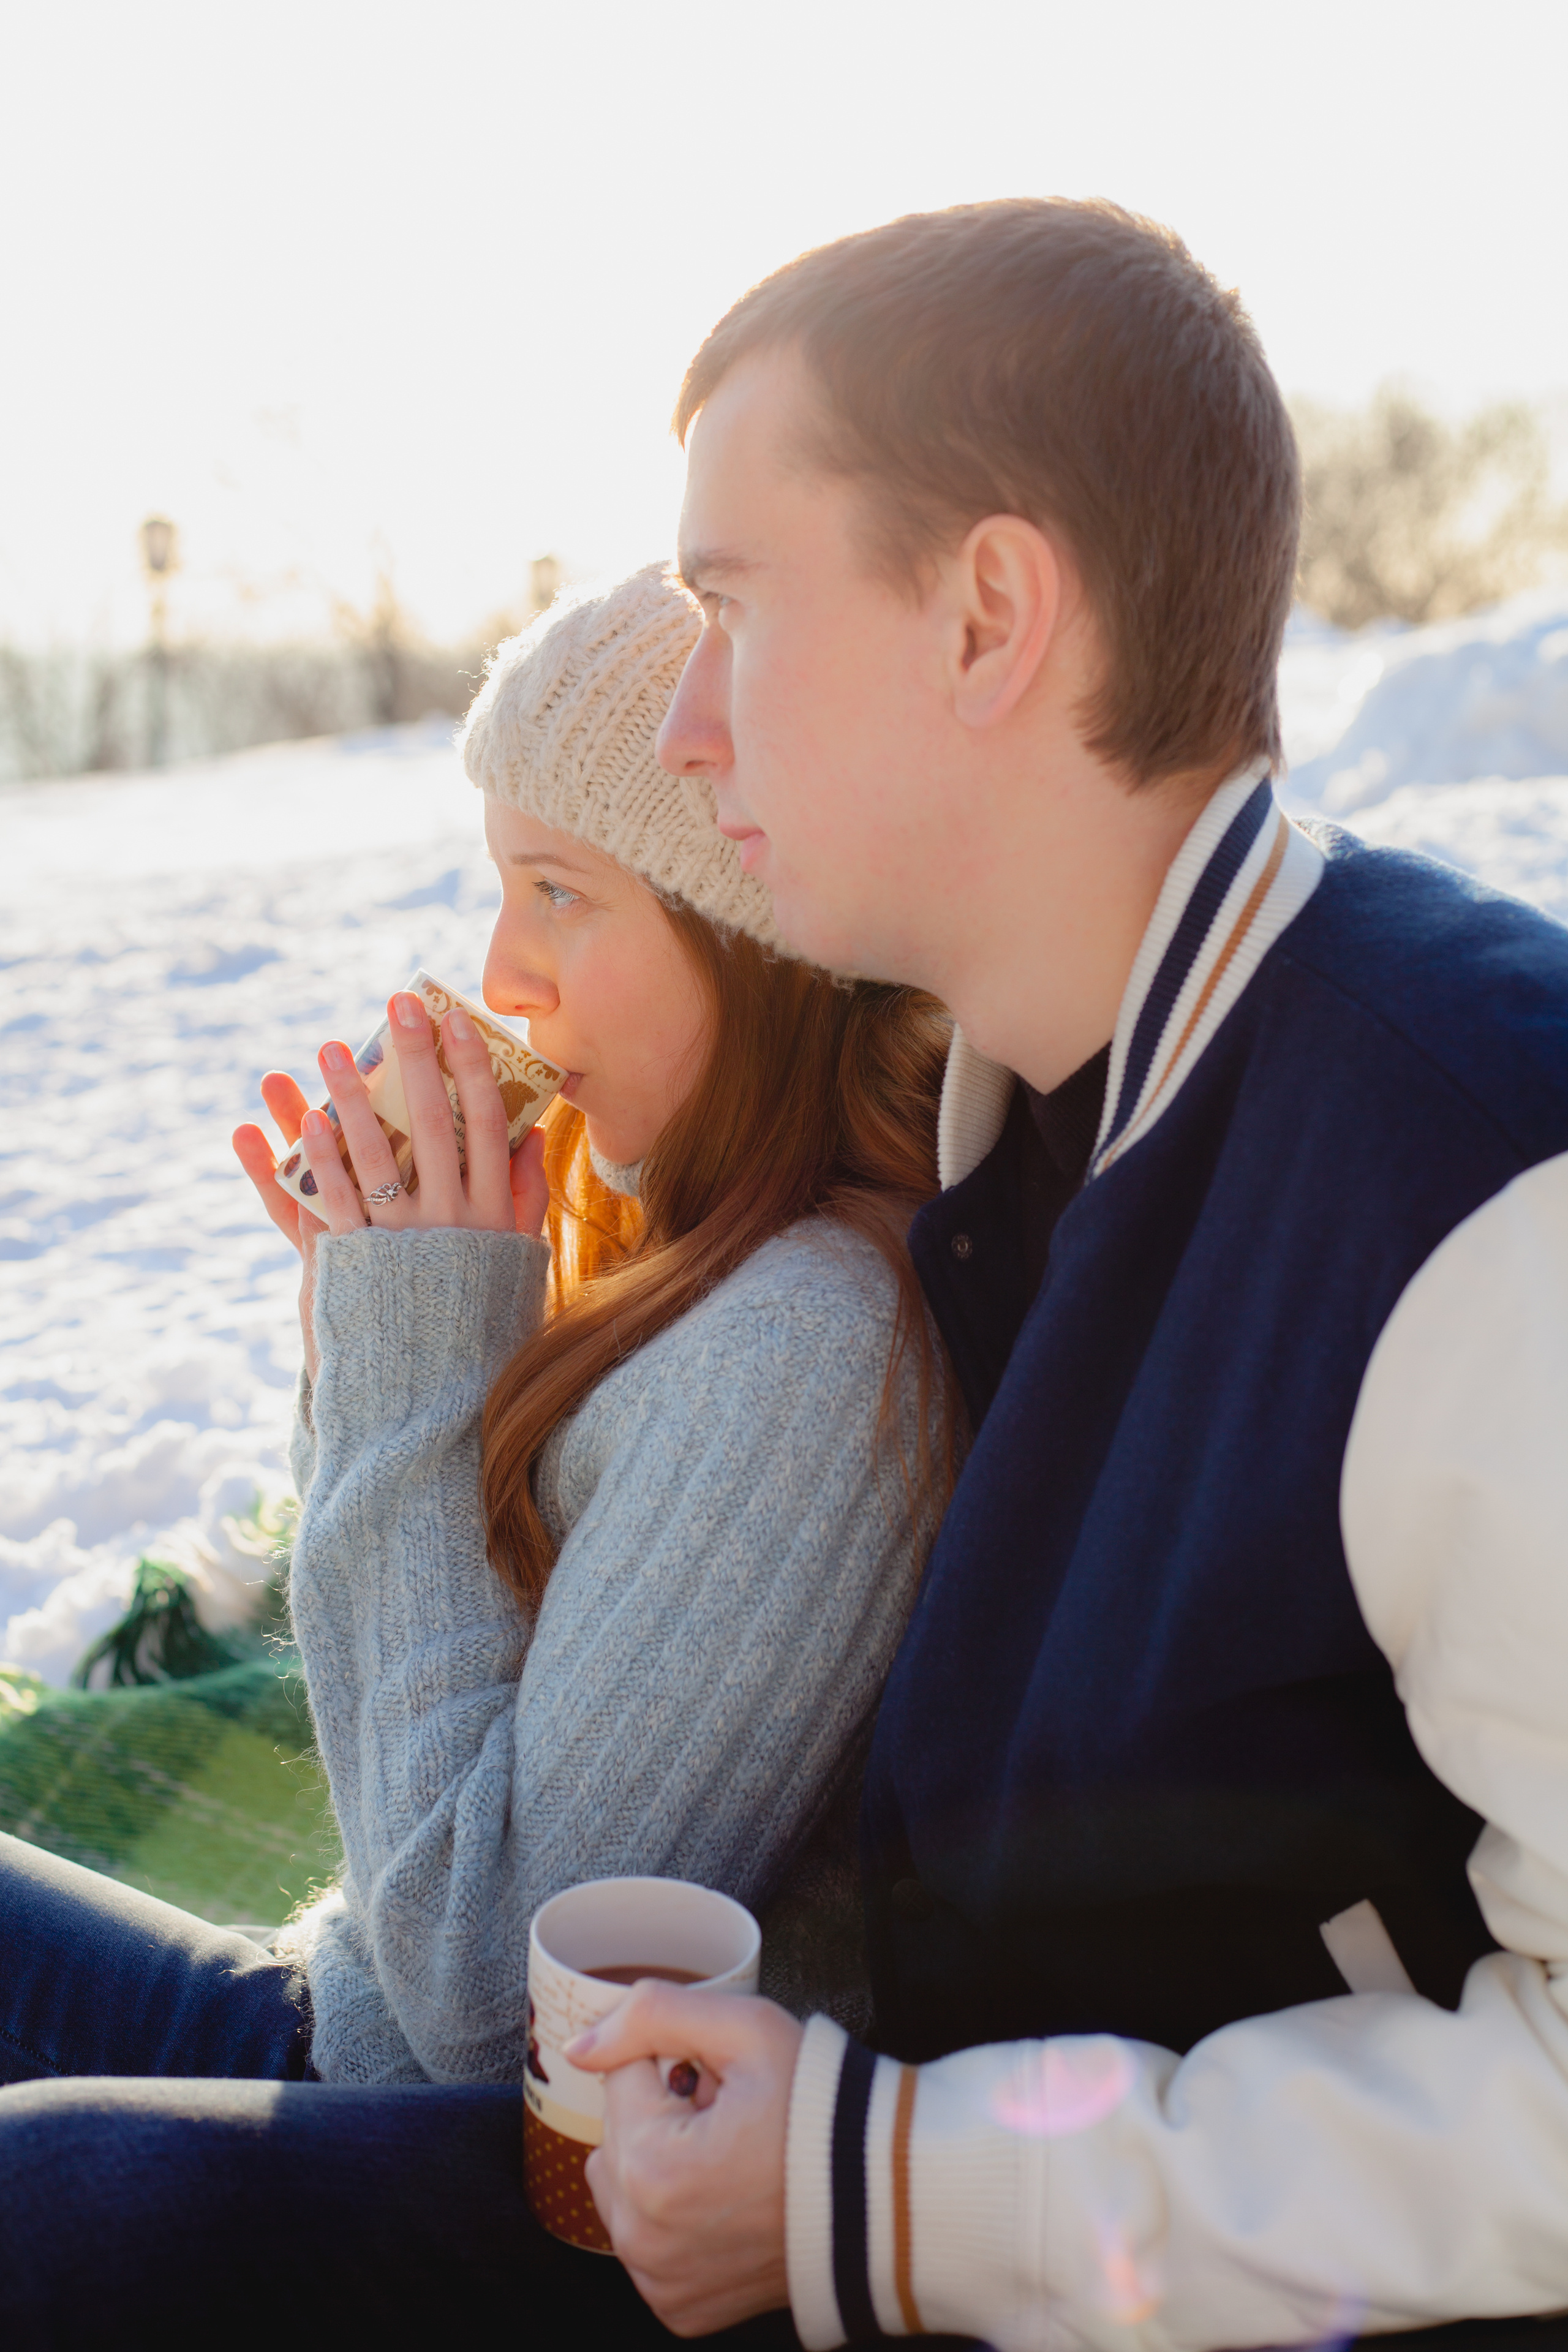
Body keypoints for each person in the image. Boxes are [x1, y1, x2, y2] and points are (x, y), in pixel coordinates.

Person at [571, 203, 1568, 2350]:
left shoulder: (1485, 1190)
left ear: (990, 617)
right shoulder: (1028, 1133)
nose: (687, 734)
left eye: (732, 613)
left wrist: (894, 2201)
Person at [0, 568, 954, 2342]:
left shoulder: (815, 1355)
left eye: (562, 892)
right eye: (498, 882)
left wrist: (411, 1376)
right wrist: (367, 1337)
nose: (502, 970)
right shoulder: (720, 1265)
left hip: (468, 2146)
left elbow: (468, 2002)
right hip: (342, 2015)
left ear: (759, 938)